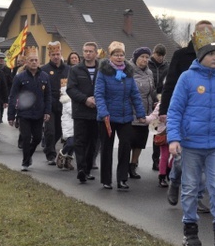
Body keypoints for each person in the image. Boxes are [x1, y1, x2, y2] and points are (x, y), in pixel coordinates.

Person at [167, 26, 215, 246]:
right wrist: (174, 138)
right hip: (191, 143)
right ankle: (190, 231)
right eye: (211, 54)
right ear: (201, 56)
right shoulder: (187, 78)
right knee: (190, 188)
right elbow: (175, 111)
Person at [94, 41, 146, 190]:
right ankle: (106, 180)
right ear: (110, 56)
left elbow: (135, 94)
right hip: (107, 118)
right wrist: (103, 112)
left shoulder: (128, 73)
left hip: (125, 117)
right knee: (107, 149)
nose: (119, 57)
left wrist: (140, 113)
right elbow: (99, 94)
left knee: (125, 147)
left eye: (121, 54)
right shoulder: (103, 72)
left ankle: (122, 179)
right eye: (116, 55)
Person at [8, 47, 52, 171]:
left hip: (38, 113)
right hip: (24, 113)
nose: (34, 62)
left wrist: (47, 111)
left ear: (39, 62)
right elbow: (13, 96)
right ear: (27, 62)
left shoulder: (44, 77)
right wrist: (11, 116)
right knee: (26, 138)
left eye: (36, 60)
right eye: (31, 60)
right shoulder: (20, 77)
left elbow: (48, 96)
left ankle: (29, 155)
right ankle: (25, 161)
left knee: (37, 137)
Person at [67, 42, 100, 184]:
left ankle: (87, 169)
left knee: (93, 143)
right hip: (80, 111)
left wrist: (98, 100)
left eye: (90, 51)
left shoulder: (102, 70)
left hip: (97, 112)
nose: (87, 54)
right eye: (85, 51)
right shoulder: (75, 70)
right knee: (80, 141)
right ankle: (81, 169)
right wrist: (85, 99)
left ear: (96, 53)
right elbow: (71, 89)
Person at [130, 47, 158, 180]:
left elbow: (152, 91)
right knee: (129, 140)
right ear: (136, 58)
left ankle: (133, 165)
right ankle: (125, 165)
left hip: (146, 113)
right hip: (131, 111)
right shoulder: (128, 71)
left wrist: (157, 100)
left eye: (147, 57)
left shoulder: (149, 73)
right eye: (142, 57)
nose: (145, 60)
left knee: (140, 141)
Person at [41, 41, 69, 166]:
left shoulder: (68, 70)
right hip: (50, 105)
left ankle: (49, 146)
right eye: (53, 55)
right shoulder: (44, 70)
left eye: (58, 54)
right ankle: (51, 154)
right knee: (50, 130)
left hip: (64, 105)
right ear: (49, 56)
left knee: (60, 130)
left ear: (61, 54)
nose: (56, 57)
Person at [148, 43, 169, 170]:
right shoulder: (149, 65)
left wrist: (161, 98)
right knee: (153, 131)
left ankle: (157, 159)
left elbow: (165, 85)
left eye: (162, 56)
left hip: (161, 101)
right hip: (151, 100)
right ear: (154, 53)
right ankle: (156, 158)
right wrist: (154, 97)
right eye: (158, 55)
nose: (160, 58)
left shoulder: (166, 67)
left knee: (159, 131)